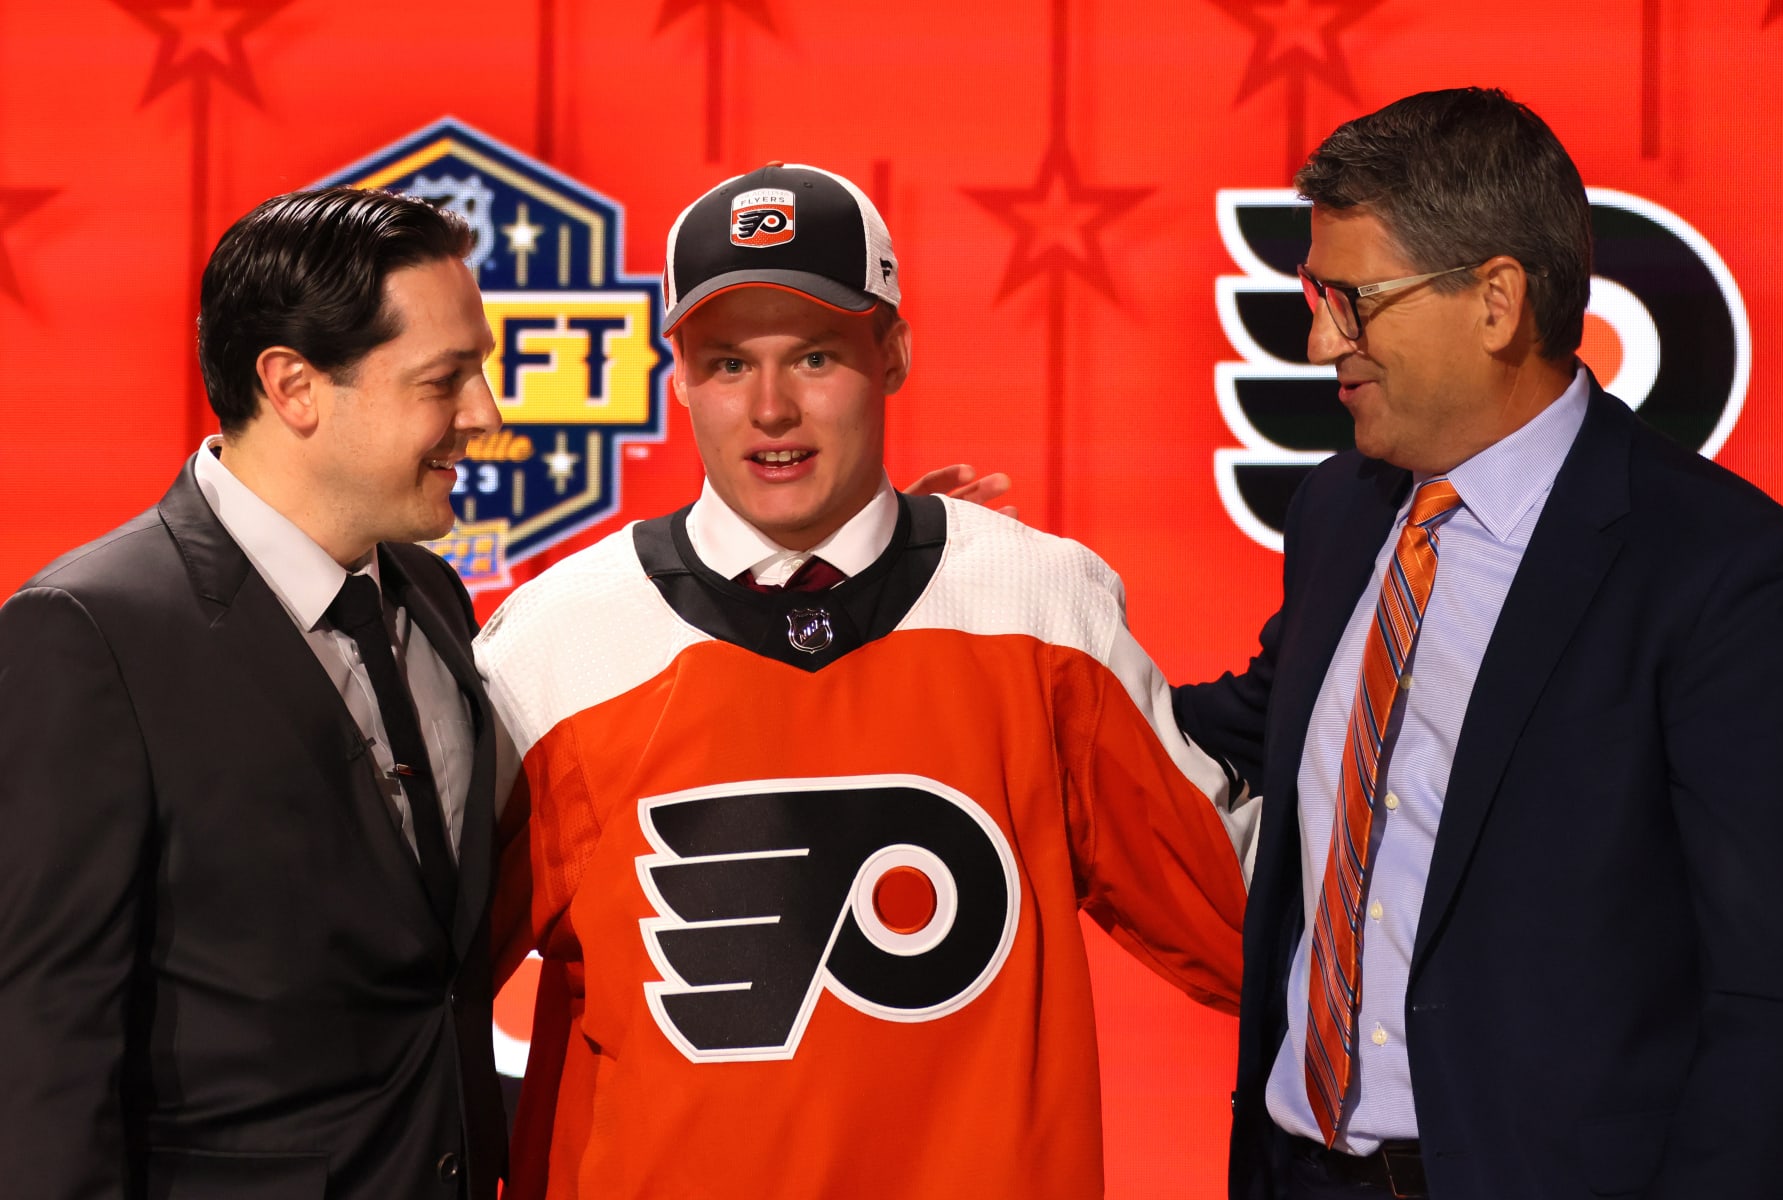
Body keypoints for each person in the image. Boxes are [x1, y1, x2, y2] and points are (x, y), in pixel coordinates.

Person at [475, 162, 1255, 1199]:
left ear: (893, 354)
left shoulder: (1035, 607)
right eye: (726, 364)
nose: (770, 409)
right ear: (679, 381)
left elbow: (1250, 924)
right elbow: (402, 1000)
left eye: (815, 356)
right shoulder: (556, 644)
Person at [1171, 87, 1783, 1199]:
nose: (1321, 341)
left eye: (1353, 300)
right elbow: (1247, 731)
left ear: (1497, 301)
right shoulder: (1338, 511)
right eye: (1316, 297)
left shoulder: (1720, 571)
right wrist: (969, 617)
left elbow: (1768, 996)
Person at [0, 187, 510, 1198]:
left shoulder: (432, 593)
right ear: (294, 386)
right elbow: (40, 1047)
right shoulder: (88, 634)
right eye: (445, 379)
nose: (485, 416)